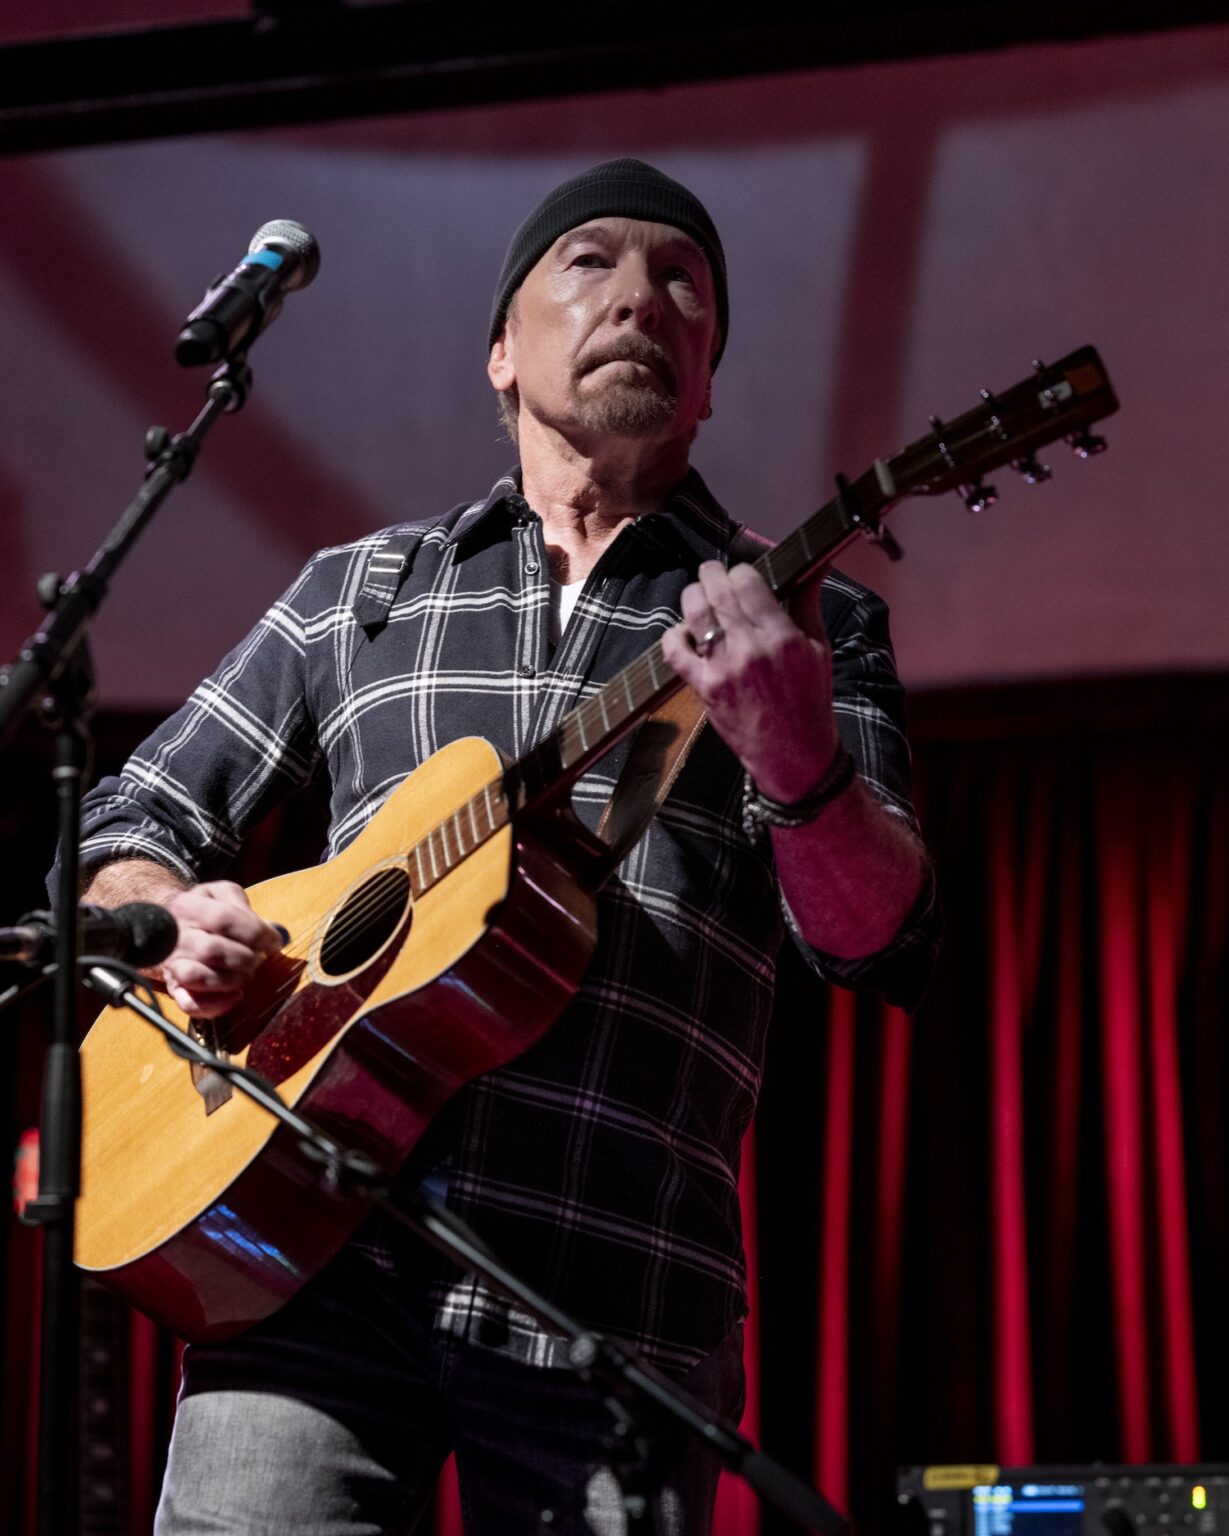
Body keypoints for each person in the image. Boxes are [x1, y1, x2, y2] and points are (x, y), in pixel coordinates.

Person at [76, 159, 939, 1534]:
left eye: (683, 286)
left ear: (708, 376)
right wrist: (161, 915)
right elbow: (132, 819)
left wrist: (799, 755)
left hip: (612, 1286)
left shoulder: (807, 624)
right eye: (590, 263)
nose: (641, 299)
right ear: (499, 349)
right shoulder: (358, 592)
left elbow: (875, 936)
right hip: (302, 1259)